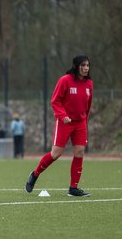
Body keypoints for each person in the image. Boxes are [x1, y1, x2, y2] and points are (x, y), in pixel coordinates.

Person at [25, 55, 93, 197]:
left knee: (79, 152)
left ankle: (73, 188)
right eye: (83, 65)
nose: (86, 68)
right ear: (76, 66)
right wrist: (63, 116)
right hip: (64, 122)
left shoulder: (89, 84)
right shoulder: (65, 80)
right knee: (56, 154)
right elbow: (55, 101)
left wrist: (84, 122)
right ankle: (35, 174)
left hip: (80, 123)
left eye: (87, 65)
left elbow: (88, 105)